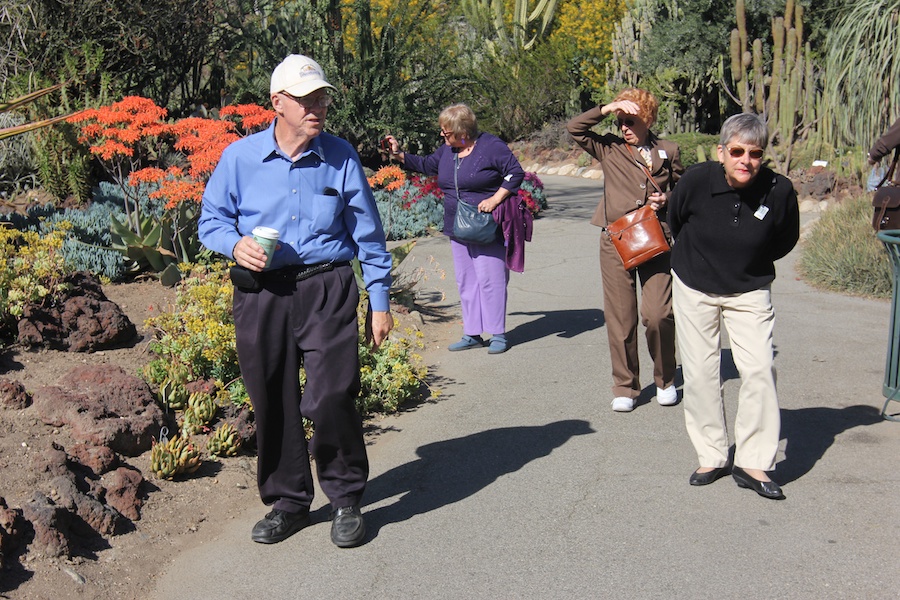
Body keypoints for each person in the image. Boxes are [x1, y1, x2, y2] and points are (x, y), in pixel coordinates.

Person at [198, 54, 393, 546]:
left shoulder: (340, 155)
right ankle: (288, 503)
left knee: (332, 395)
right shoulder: (239, 158)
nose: (317, 107)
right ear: (277, 103)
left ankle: (346, 498)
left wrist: (380, 298)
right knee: (271, 398)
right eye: (305, 99)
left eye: (321, 97)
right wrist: (234, 244)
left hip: (326, 286)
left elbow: (368, 234)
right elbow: (211, 222)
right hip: (261, 293)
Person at [667, 113, 799, 500]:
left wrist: (748, 261)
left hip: (749, 289)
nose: (746, 160)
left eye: (755, 153)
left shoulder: (779, 191)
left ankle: (752, 462)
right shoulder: (696, 180)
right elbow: (677, 220)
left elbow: (784, 238)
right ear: (721, 152)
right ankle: (712, 455)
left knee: (759, 367)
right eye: (737, 151)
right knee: (701, 371)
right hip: (694, 284)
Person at [567, 88, 683, 413]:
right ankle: (626, 386)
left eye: (630, 121)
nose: (624, 127)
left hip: (655, 239)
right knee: (621, 317)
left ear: (648, 119)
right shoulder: (608, 147)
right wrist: (608, 107)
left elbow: (682, 189)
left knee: (658, 314)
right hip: (615, 239)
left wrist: (668, 199)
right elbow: (574, 128)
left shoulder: (668, 150)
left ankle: (665, 379)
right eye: (620, 121)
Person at [383, 104, 525, 354]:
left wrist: (495, 199)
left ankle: (498, 333)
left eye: (446, 131)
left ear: (462, 131)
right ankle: (472, 332)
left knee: (491, 280)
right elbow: (427, 165)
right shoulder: (449, 150)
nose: (442, 135)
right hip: (456, 225)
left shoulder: (491, 146)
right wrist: (398, 154)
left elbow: (514, 173)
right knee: (466, 280)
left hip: (485, 224)